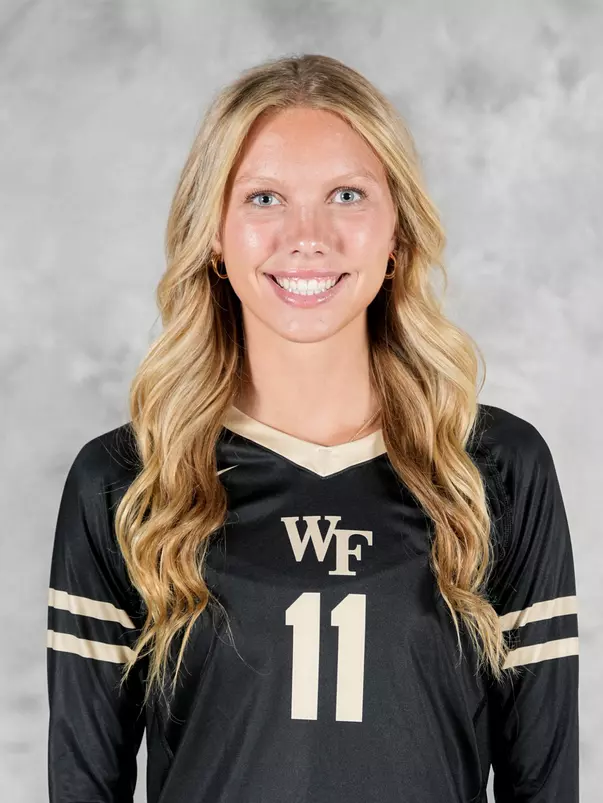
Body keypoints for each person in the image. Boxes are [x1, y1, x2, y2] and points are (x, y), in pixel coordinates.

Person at [46, 54, 579, 803]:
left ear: (397, 232)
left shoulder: (493, 468)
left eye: (346, 195)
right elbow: (82, 785)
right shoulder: (129, 479)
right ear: (213, 236)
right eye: (264, 197)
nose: (307, 235)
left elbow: (543, 781)